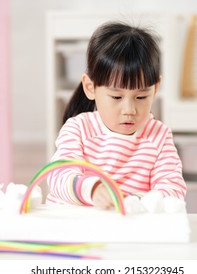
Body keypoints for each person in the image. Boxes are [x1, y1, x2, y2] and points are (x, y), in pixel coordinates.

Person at [46, 21, 186, 210]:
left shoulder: (159, 137)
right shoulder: (78, 129)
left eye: (141, 96)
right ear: (90, 87)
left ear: (156, 89)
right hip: (77, 229)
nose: (129, 109)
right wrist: (91, 189)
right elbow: (58, 176)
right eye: (116, 96)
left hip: (127, 231)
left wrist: (137, 201)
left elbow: (173, 188)